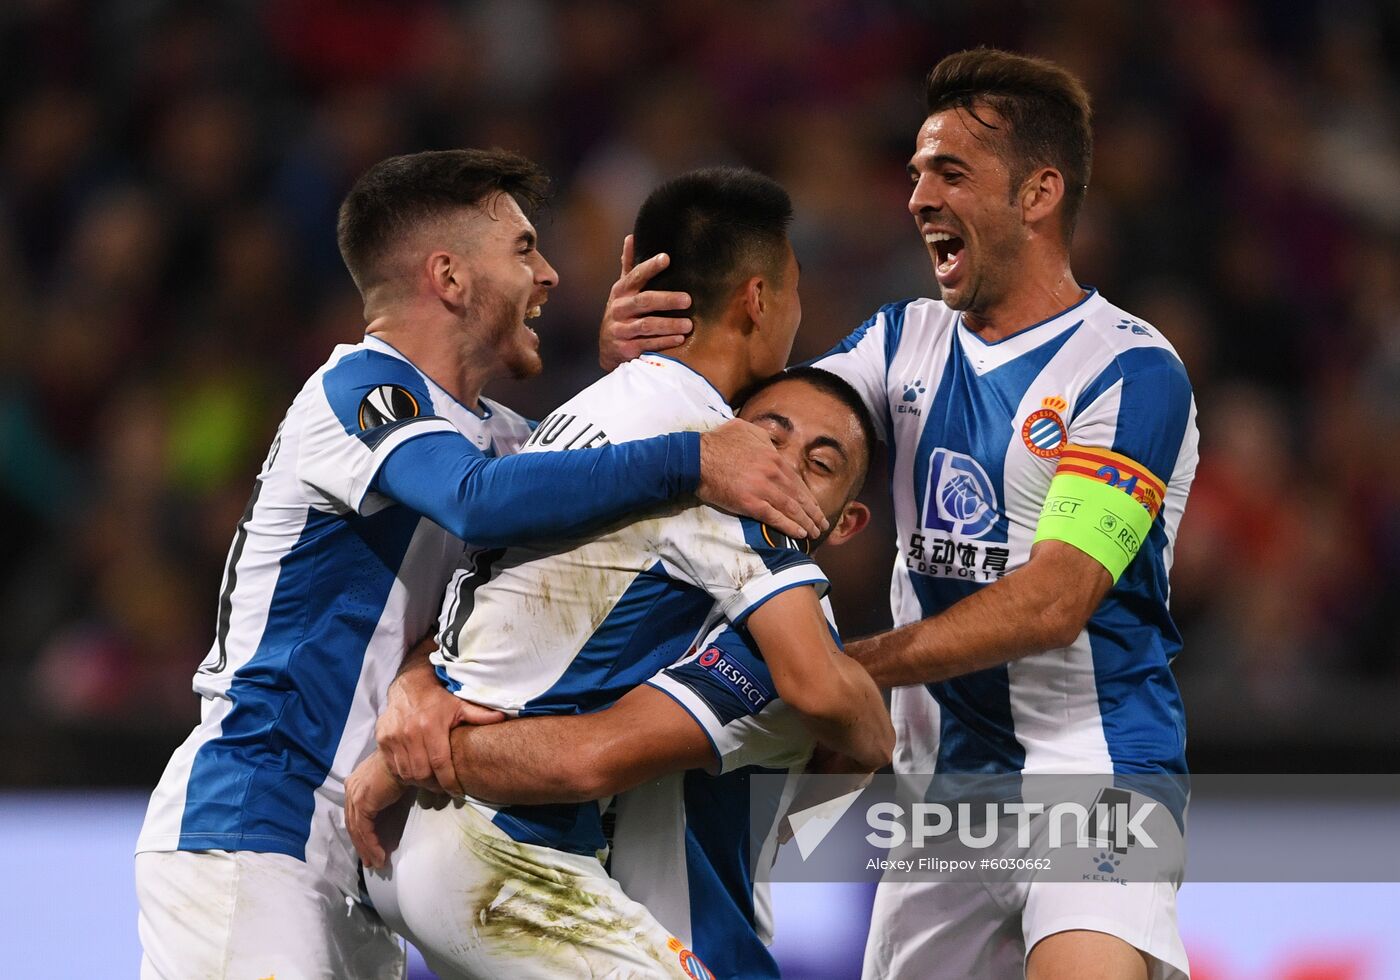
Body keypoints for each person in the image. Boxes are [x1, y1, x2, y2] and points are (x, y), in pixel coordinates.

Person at [133, 149, 828, 980]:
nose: (553, 275)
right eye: (526, 250)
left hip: (367, 844)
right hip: (259, 818)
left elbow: (499, 580)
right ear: (450, 277)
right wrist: (691, 457)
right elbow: (475, 499)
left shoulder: (502, 435)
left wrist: (629, 383)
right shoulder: (357, 390)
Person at [602, 49, 1198, 980]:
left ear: (1040, 194)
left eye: (950, 172)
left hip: (1095, 774)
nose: (917, 194)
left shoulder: (1128, 370)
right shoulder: (903, 338)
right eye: (916, 171)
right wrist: (646, 378)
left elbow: (1054, 601)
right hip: (939, 795)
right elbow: (757, 430)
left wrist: (844, 670)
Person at [352, 167, 893, 979]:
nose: (780, 463)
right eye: (796, 294)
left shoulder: (581, 422)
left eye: (818, 461)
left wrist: (409, 716)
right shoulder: (718, 463)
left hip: (427, 845)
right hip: (508, 851)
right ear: (758, 299)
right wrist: (875, 725)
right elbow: (818, 698)